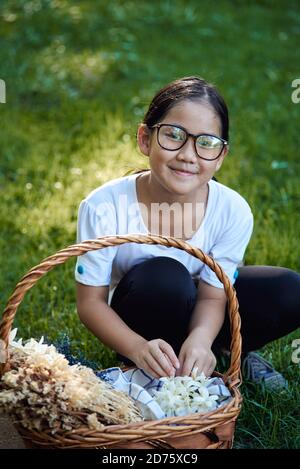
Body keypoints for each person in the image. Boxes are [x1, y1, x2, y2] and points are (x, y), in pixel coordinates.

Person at [75, 76, 300, 390]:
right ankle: (143, 362)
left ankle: (224, 350)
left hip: (205, 309)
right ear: (145, 139)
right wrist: (137, 346)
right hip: (143, 314)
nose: (188, 155)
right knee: (167, 276)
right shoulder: (104, 206)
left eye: (206, 142)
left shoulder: (232, 210)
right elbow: (90, 303)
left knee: (289, 289)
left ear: (221, 156)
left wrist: (201, 338)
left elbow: (212, 294)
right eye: (174, 135)